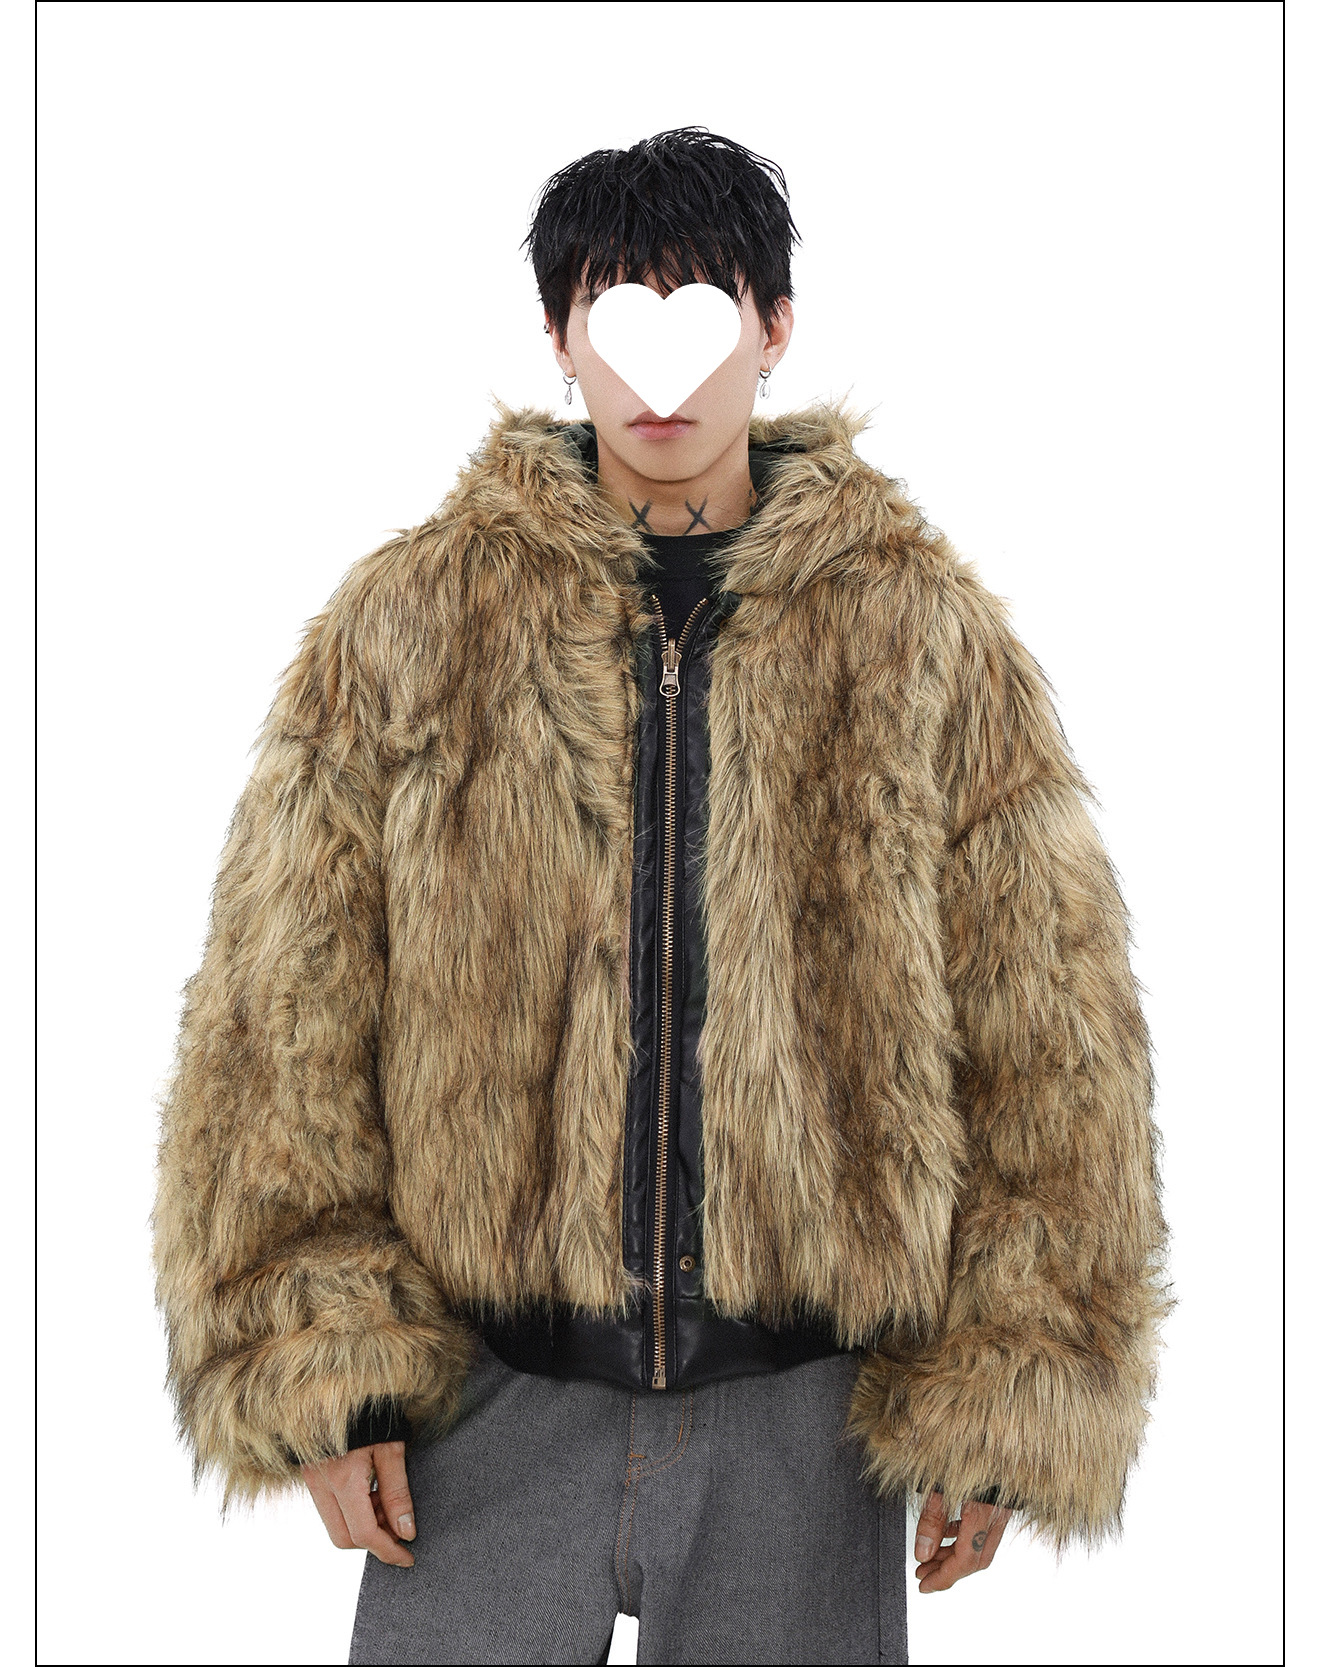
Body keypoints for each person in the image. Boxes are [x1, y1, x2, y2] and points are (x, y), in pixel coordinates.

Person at [153, 128, 1169, 1667]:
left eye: (704, 304)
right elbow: (279, 1008)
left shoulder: (920, 635)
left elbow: (1053, 1027)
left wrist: (1007, 1392)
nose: (662, 368)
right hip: (483, 1406)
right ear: (561, 338)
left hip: (801, 1423)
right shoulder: (413, 624)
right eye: (616, 309)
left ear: (774, 326)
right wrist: (322, 1367)